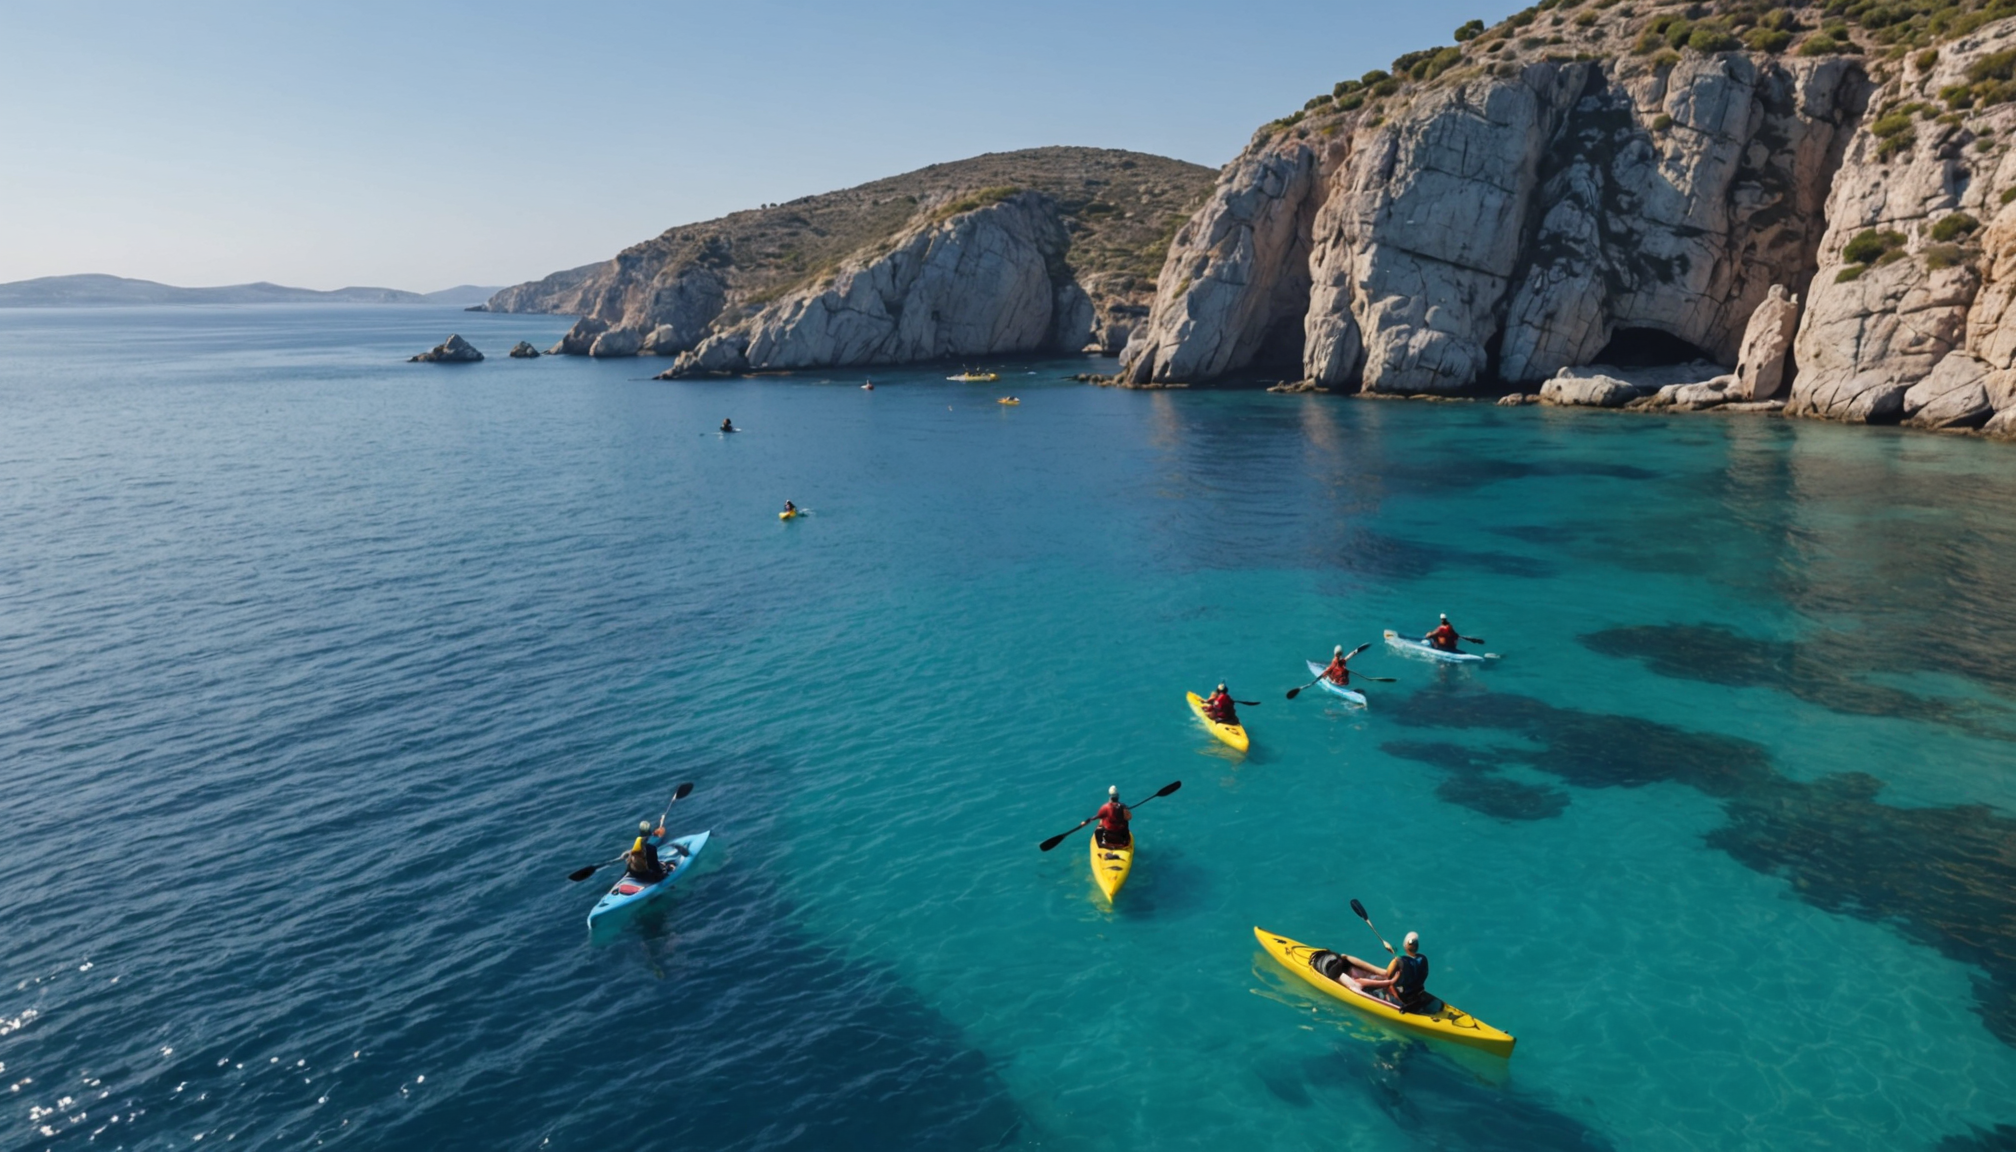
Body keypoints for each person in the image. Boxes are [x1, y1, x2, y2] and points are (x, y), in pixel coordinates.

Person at [1350, 931, 1431, 1011]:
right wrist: (1394, 953)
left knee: (1375, 981)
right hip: (1416, 993)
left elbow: (1387, 975)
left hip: (1402, 997)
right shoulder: (1423, 959)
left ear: (1405, 946)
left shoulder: (1397, 961)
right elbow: (1409, 961)